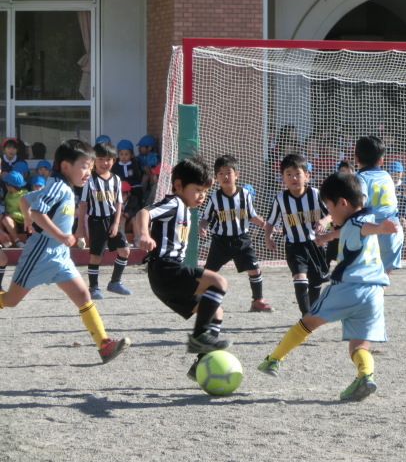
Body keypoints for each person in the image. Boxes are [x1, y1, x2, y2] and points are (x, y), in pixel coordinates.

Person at [257, 172, 398, 401]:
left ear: (342, 203)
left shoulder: (359, 222)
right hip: (375, 293)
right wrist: (328, 237)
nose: (329, 214)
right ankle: (366, 375)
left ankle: (273, 359)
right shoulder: (359, 217)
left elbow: (364, 228)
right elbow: (354, 229)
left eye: (329, 208)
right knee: (359, 345)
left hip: (348, 287)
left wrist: (381, 229)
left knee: (307, 322)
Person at [0, 139, 131, 363]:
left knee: (83, 295)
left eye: (91, 167)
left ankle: (104, 345)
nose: (89, 172)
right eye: (85, 166)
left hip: (59, 257)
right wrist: (57, 233)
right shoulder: (59, 187)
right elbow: (38, 212)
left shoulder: (62, 186)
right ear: (65, 166)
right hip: (40, 255)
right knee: (10, 301)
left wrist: (31, 222)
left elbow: (25, 200)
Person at [137, 156, 232, 381]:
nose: (202, 196)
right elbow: (143, 213)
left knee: (216, 311)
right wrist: (143, 234)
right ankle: (199, 337)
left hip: (165, 278)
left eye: (205, 192)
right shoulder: (174, 202)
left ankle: (199, 365)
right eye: (198, 190)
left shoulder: (185, 209)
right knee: (219, 282)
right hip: (166, 270)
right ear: (179, 185)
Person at [199, 155, 273, 313]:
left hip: (242, 239)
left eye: (229, 172)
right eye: (221, 173)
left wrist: (264, 224)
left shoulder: (245, 195)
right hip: (221, 241)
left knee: (254, 269)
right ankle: (201, 299)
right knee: (209, 272)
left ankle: (257, 301)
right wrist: (202, 226)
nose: (225, 176)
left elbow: (252, 215)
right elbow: (205, 218)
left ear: (236, 174)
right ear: (216, 177)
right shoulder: (214, 198)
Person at [264, 153, 330, 316]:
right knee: (300, 278)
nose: (294, 178)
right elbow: (271, 221)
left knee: (315, 282)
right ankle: (305, 315)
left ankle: (313, 312)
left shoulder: (315, 194)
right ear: (282, 178)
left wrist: (323, 222)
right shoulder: (280, 198)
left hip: (316, 244)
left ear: (307, 176)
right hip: (293, 245)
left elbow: (331, 214)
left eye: (298, 174)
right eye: (289, 174)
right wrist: (267, 237)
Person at [76, 141, 132, 300]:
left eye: (108, 159)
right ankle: (93, 287)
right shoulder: (89, 180)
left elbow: (119, 202)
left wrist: (116, 223)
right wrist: (80, 227)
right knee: (96, 255)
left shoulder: (116, 179)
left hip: (112, 220)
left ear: (113, 161)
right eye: (100, 159)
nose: (104, 163)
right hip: (96, 221)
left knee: (125, 251)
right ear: (94, 161)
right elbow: (83, 204)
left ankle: (115, 282)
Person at [354, 136, 403, 274]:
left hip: (371, 229)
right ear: (381, 160)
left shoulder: (360, 178)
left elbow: (361, 199)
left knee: (364, 273)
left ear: (356, 158)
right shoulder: (387, 176)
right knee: (384, 276)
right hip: (393, 229)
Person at [2, 171, 29, 247]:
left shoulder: (24, 197)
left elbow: (27, 216)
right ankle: (4, 241)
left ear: (10, 186)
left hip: (21, 223)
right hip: (9, 222)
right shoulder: (8, 194)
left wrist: (13, 214)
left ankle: (17, 241)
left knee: (6, 219)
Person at [111, 139, 143, 205]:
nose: (124, 157)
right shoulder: (116, 165)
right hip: (121, 187)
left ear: (131, 155)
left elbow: (138, 175)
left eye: (126, 154)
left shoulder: (134, 164)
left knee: (137, 194)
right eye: (121, 154)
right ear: (118, 155)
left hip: (133, 186)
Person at [136, 135, 160, 202]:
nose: (139, 148)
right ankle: (142, 196)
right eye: (139, 147)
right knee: (145, 177)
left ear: (149, 148)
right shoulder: (139, 157)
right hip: (145, 175)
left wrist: (149, 169)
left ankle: (152, 198)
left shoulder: (154, 156)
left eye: (141, 147)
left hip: (153, 175)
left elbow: (153, 166)